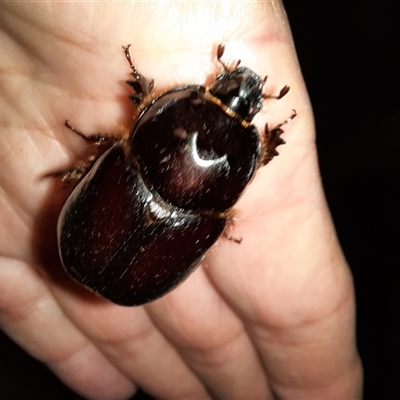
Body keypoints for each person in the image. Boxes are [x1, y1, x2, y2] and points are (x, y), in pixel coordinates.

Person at [0, 2, 362, 399]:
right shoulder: (217, 203)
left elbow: (147, 109)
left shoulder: (148, 145)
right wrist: (268, 138)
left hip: (92, 248)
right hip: (125, 272)